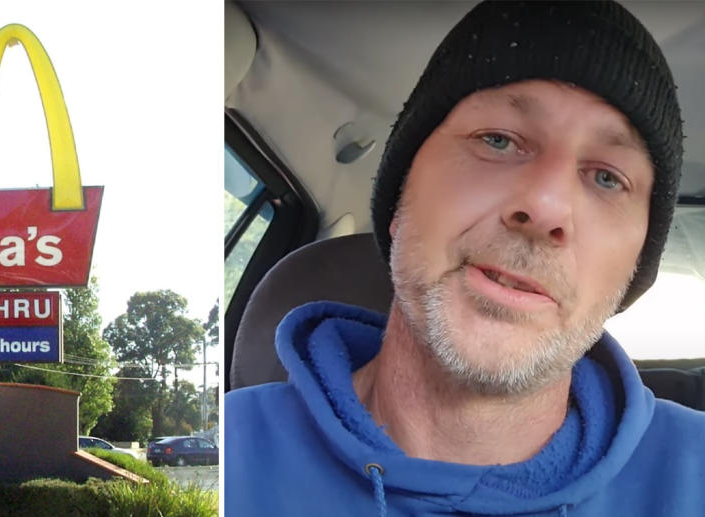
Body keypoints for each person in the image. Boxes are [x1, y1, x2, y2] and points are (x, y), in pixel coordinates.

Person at [224, 2, 705, 516]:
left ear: (634, 269)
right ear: (398, 200)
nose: (545, 207)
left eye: (608, 177)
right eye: (497, 141)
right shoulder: (224, 461)